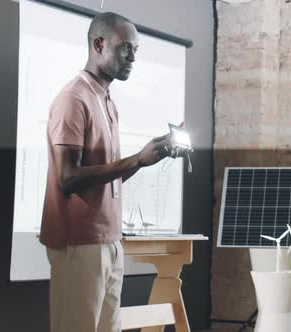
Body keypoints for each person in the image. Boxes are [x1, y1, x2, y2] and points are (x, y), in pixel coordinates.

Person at [39, 12, 176, 332]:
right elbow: (68, 178)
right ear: (99, 44)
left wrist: (144, 160)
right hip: (80, 242)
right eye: (125, 47)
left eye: (136, 50)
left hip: (110, 241)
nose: (132, 57)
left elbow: (107, 177)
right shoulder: (74, 99)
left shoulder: (108, 103)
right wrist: (136, 160)